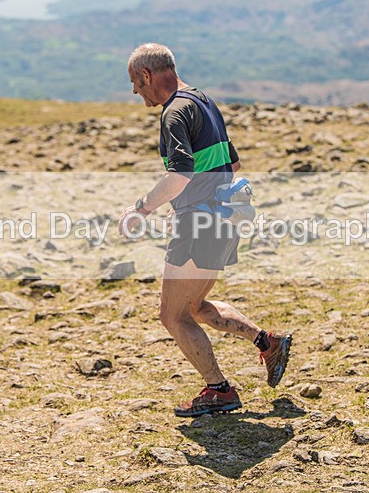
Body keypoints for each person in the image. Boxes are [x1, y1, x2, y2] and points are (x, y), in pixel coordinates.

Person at [118, 43, 293, 417]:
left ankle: (219, 390)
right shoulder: (202, 100)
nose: (135, 91)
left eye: (135, 82)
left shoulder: (174, 113)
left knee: (172, 315)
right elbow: (233, 161)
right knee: (193, 306)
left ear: (147, 76)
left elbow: (179, 173)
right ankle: (267, 341)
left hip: (200, 224)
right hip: (223, 217)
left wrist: (142, 209)